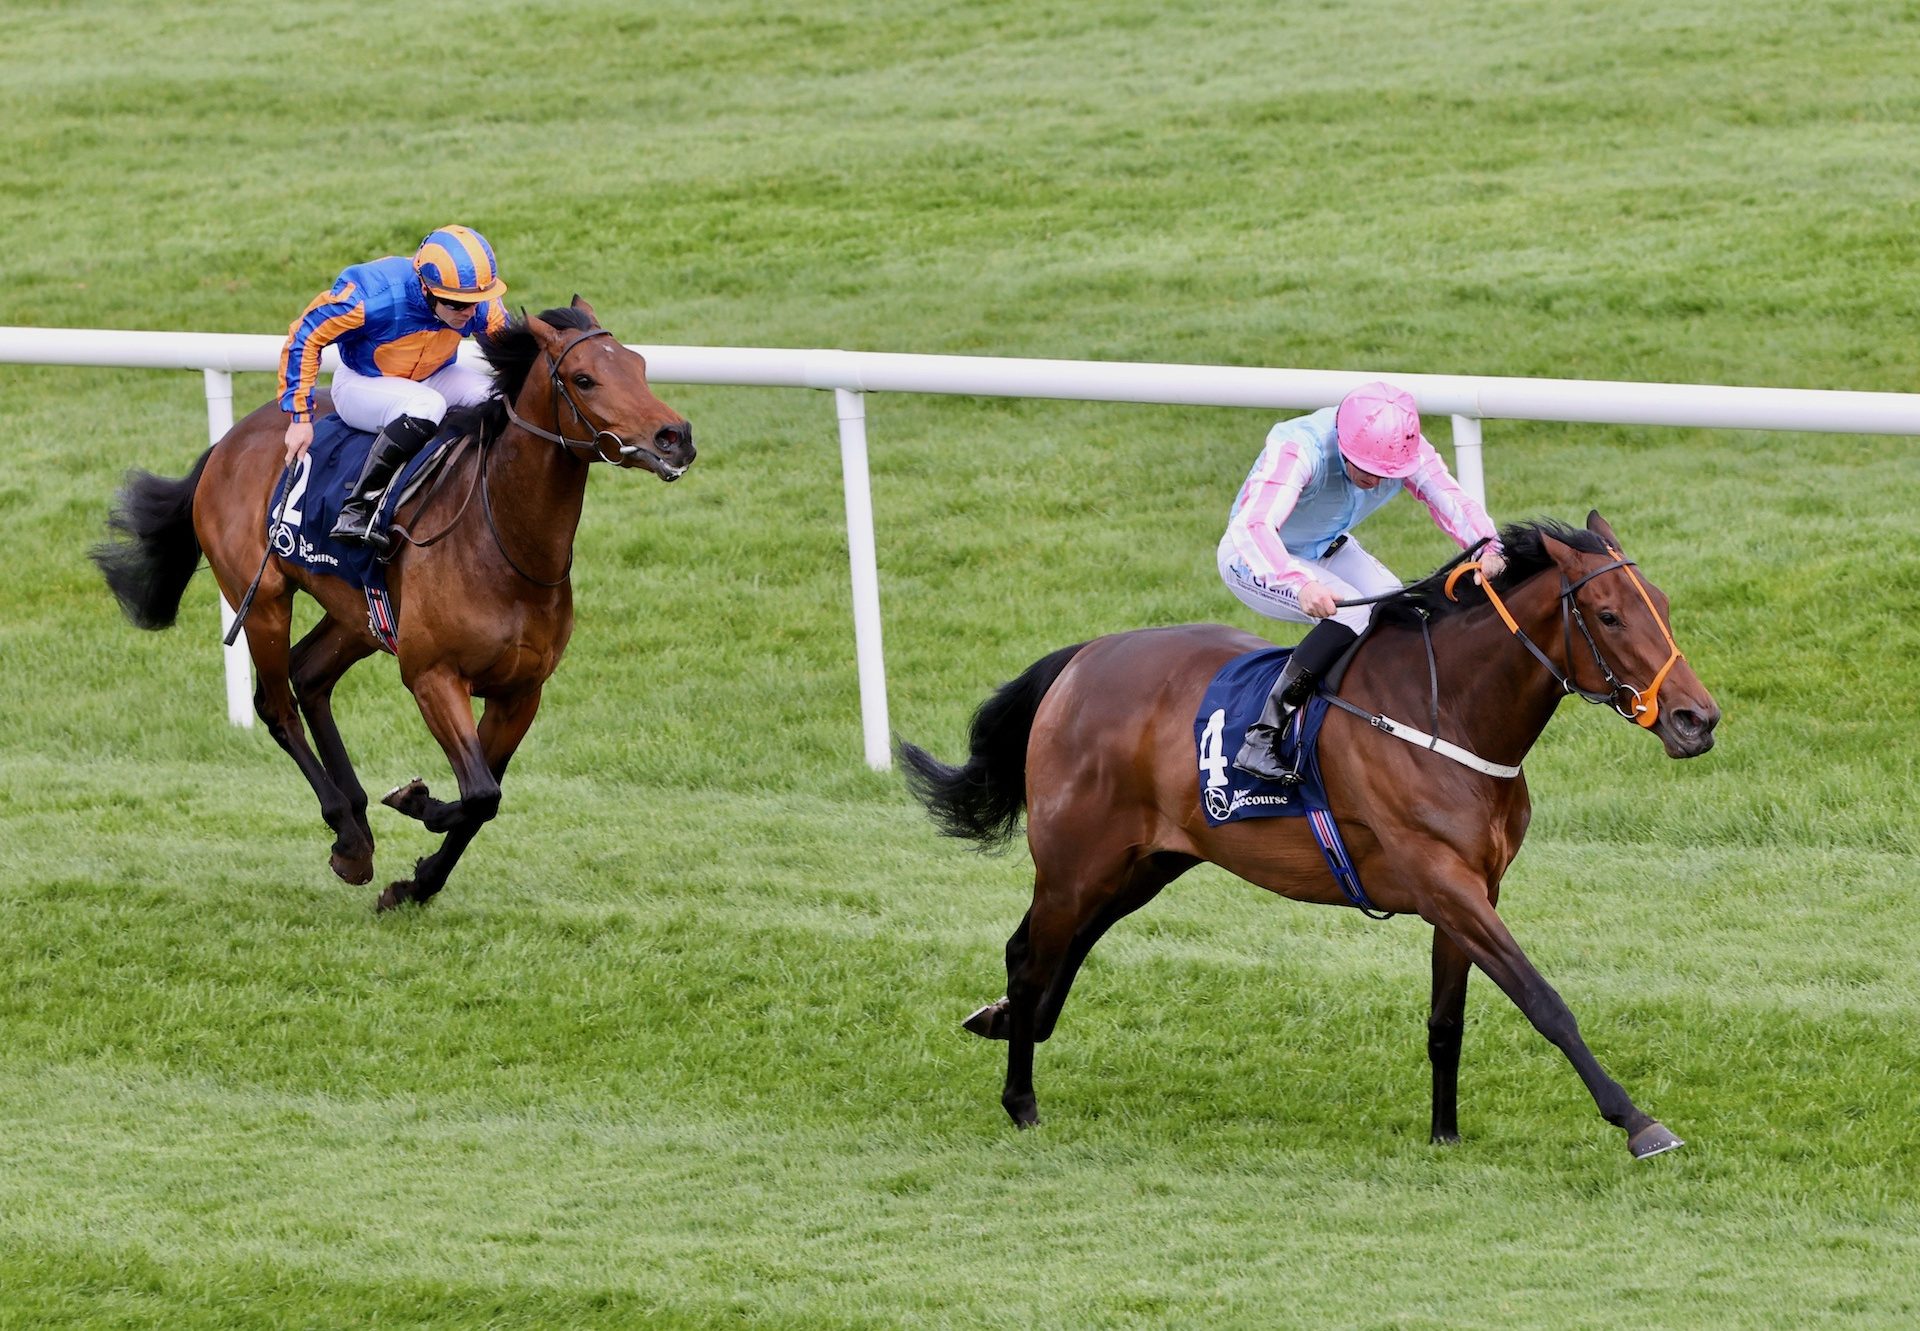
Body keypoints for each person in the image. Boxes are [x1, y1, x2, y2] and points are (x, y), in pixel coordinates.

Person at [1216, 380, 1507, 781]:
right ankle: (1261, 738)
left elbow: (1453, 501)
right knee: (1352, 615)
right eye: (1366, 469)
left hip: (1326, 546)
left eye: (1387, 473)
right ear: (1343, 442)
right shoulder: (1299, 447)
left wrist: (1489, 548)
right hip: (1254, 556)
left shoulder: (1407, 450)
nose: (1376, 480)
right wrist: (1299, 584)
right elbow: (1253, 528)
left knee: (1395, 610)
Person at [277, 225, 511, 552]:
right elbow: (305, 334)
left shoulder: (474, 304)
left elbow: (512, 359)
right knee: (426, 406)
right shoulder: (371, 297)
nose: (471, 312)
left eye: (477, 302)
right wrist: (299, 418)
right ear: (427, 290)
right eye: (458, 305)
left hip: (435, 374)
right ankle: (358, 508)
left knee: (502, 399)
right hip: (363, 381)